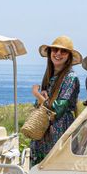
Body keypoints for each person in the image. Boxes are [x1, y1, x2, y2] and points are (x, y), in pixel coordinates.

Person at [30, 35, 81, 165]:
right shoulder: (50, 77)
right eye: (55, 50)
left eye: (63, 51)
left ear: (69, 56)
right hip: (44, 131)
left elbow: (57, 109)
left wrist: (37, 94)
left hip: (60, 131)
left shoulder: (70, 78)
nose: (58, 53)